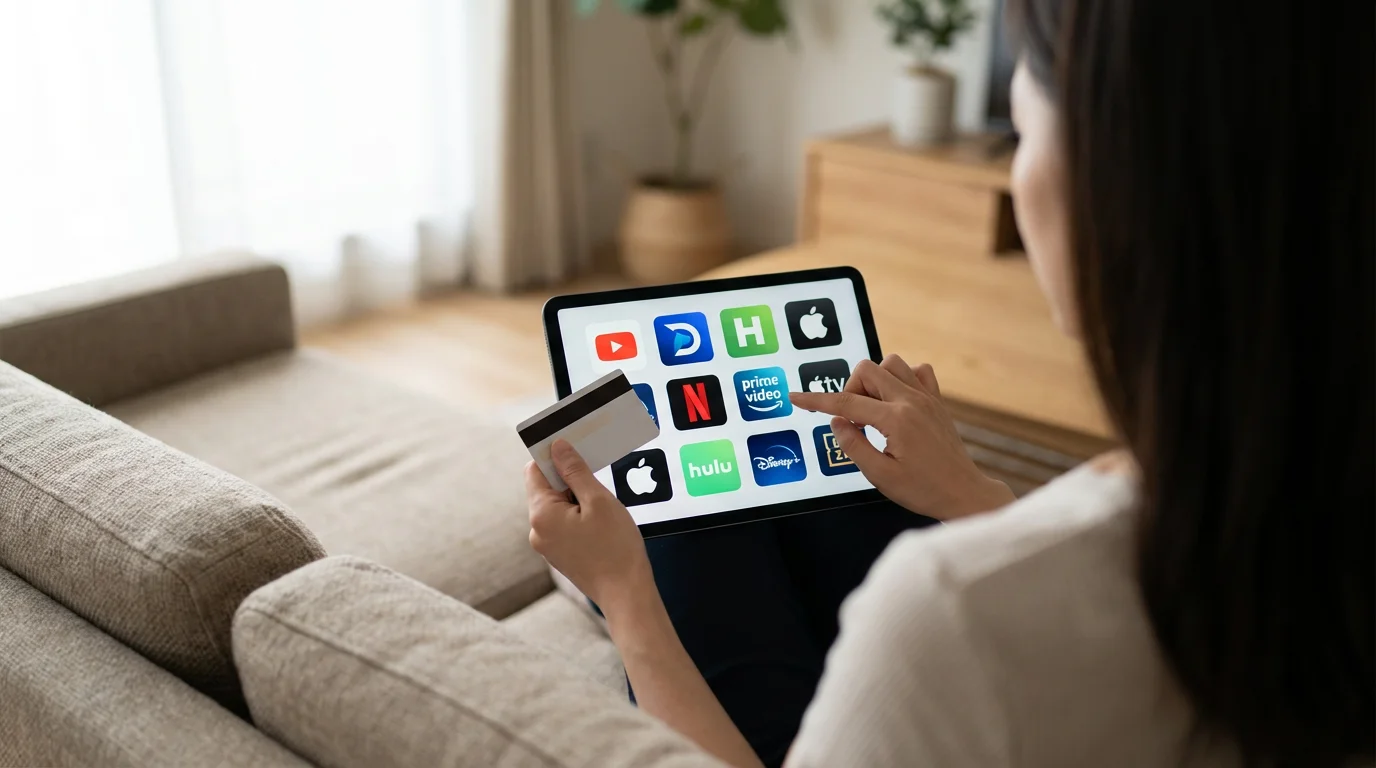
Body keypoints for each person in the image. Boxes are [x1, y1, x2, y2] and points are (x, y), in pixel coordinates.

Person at [524, 0, 1374, 764]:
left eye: (1024, 132)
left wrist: (626, 598)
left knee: (680, 529)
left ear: (1113, 188)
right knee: (830, 484)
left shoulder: (949, 610)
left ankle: (605, 568)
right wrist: (975, 493)